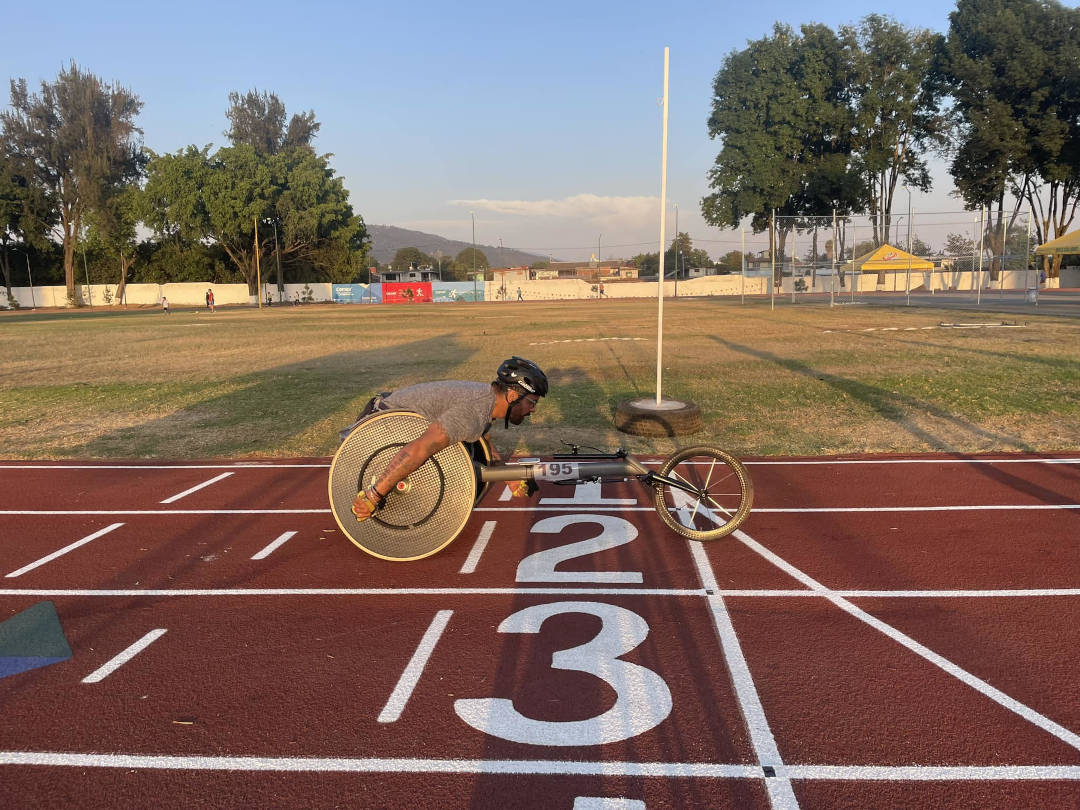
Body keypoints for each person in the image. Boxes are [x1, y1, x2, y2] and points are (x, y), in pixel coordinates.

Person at [350, 357, 548, 522]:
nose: (533, 409)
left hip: (391, 419)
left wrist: (507, 476)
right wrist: (373, 496)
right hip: (375, 432)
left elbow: (486, 448)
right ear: (513, 395)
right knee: (448, 462)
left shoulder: (486, 405)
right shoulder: (471, 414)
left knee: (468, 453)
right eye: (531, 402)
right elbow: (419, 449)